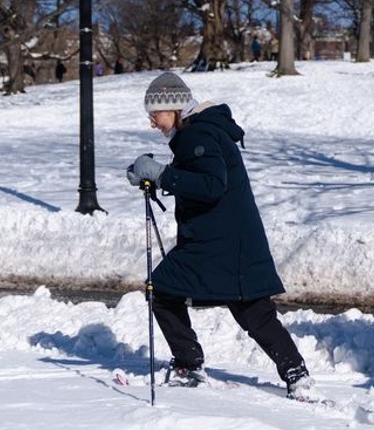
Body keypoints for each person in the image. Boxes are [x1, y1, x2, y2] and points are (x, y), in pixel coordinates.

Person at [125, 72, 315, 401]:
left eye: (154, 115)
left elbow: (211, 185)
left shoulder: (197, 134)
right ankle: (296, 374)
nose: (152, 123)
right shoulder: (200, 131)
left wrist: (161, 174)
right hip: (226, 240)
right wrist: (157, 178)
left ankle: (189, 366)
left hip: (217, 243)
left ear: (172, 108)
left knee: (164, 291)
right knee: (253, 311)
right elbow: (201, 179)